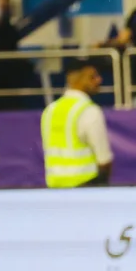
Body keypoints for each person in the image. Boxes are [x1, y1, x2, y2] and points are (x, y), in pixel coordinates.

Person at [41, 58, 113, 187]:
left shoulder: (50, 110)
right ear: (75, 80)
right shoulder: (89, 110)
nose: (99, 80)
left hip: (55, 188)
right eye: (92, 77)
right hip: (85, 186)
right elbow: (104, 159)